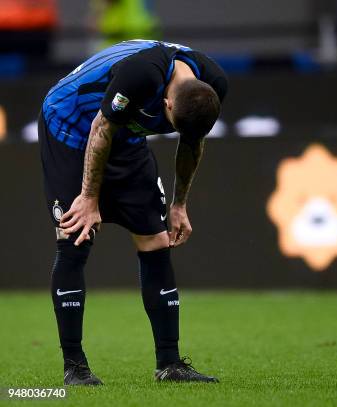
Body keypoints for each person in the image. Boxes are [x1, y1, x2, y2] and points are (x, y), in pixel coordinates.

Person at [39, 39, 228, 385]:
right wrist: (88, 198)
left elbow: (192, 141)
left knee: (156, 240)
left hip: (124, 136)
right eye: (170, 121)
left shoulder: (211, 85)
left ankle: (170, 365)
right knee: (75, 235)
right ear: (166, 103)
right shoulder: (140, 76)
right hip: (72, 126)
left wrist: (179, 204)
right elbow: (100, 129)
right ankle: (75, 367)